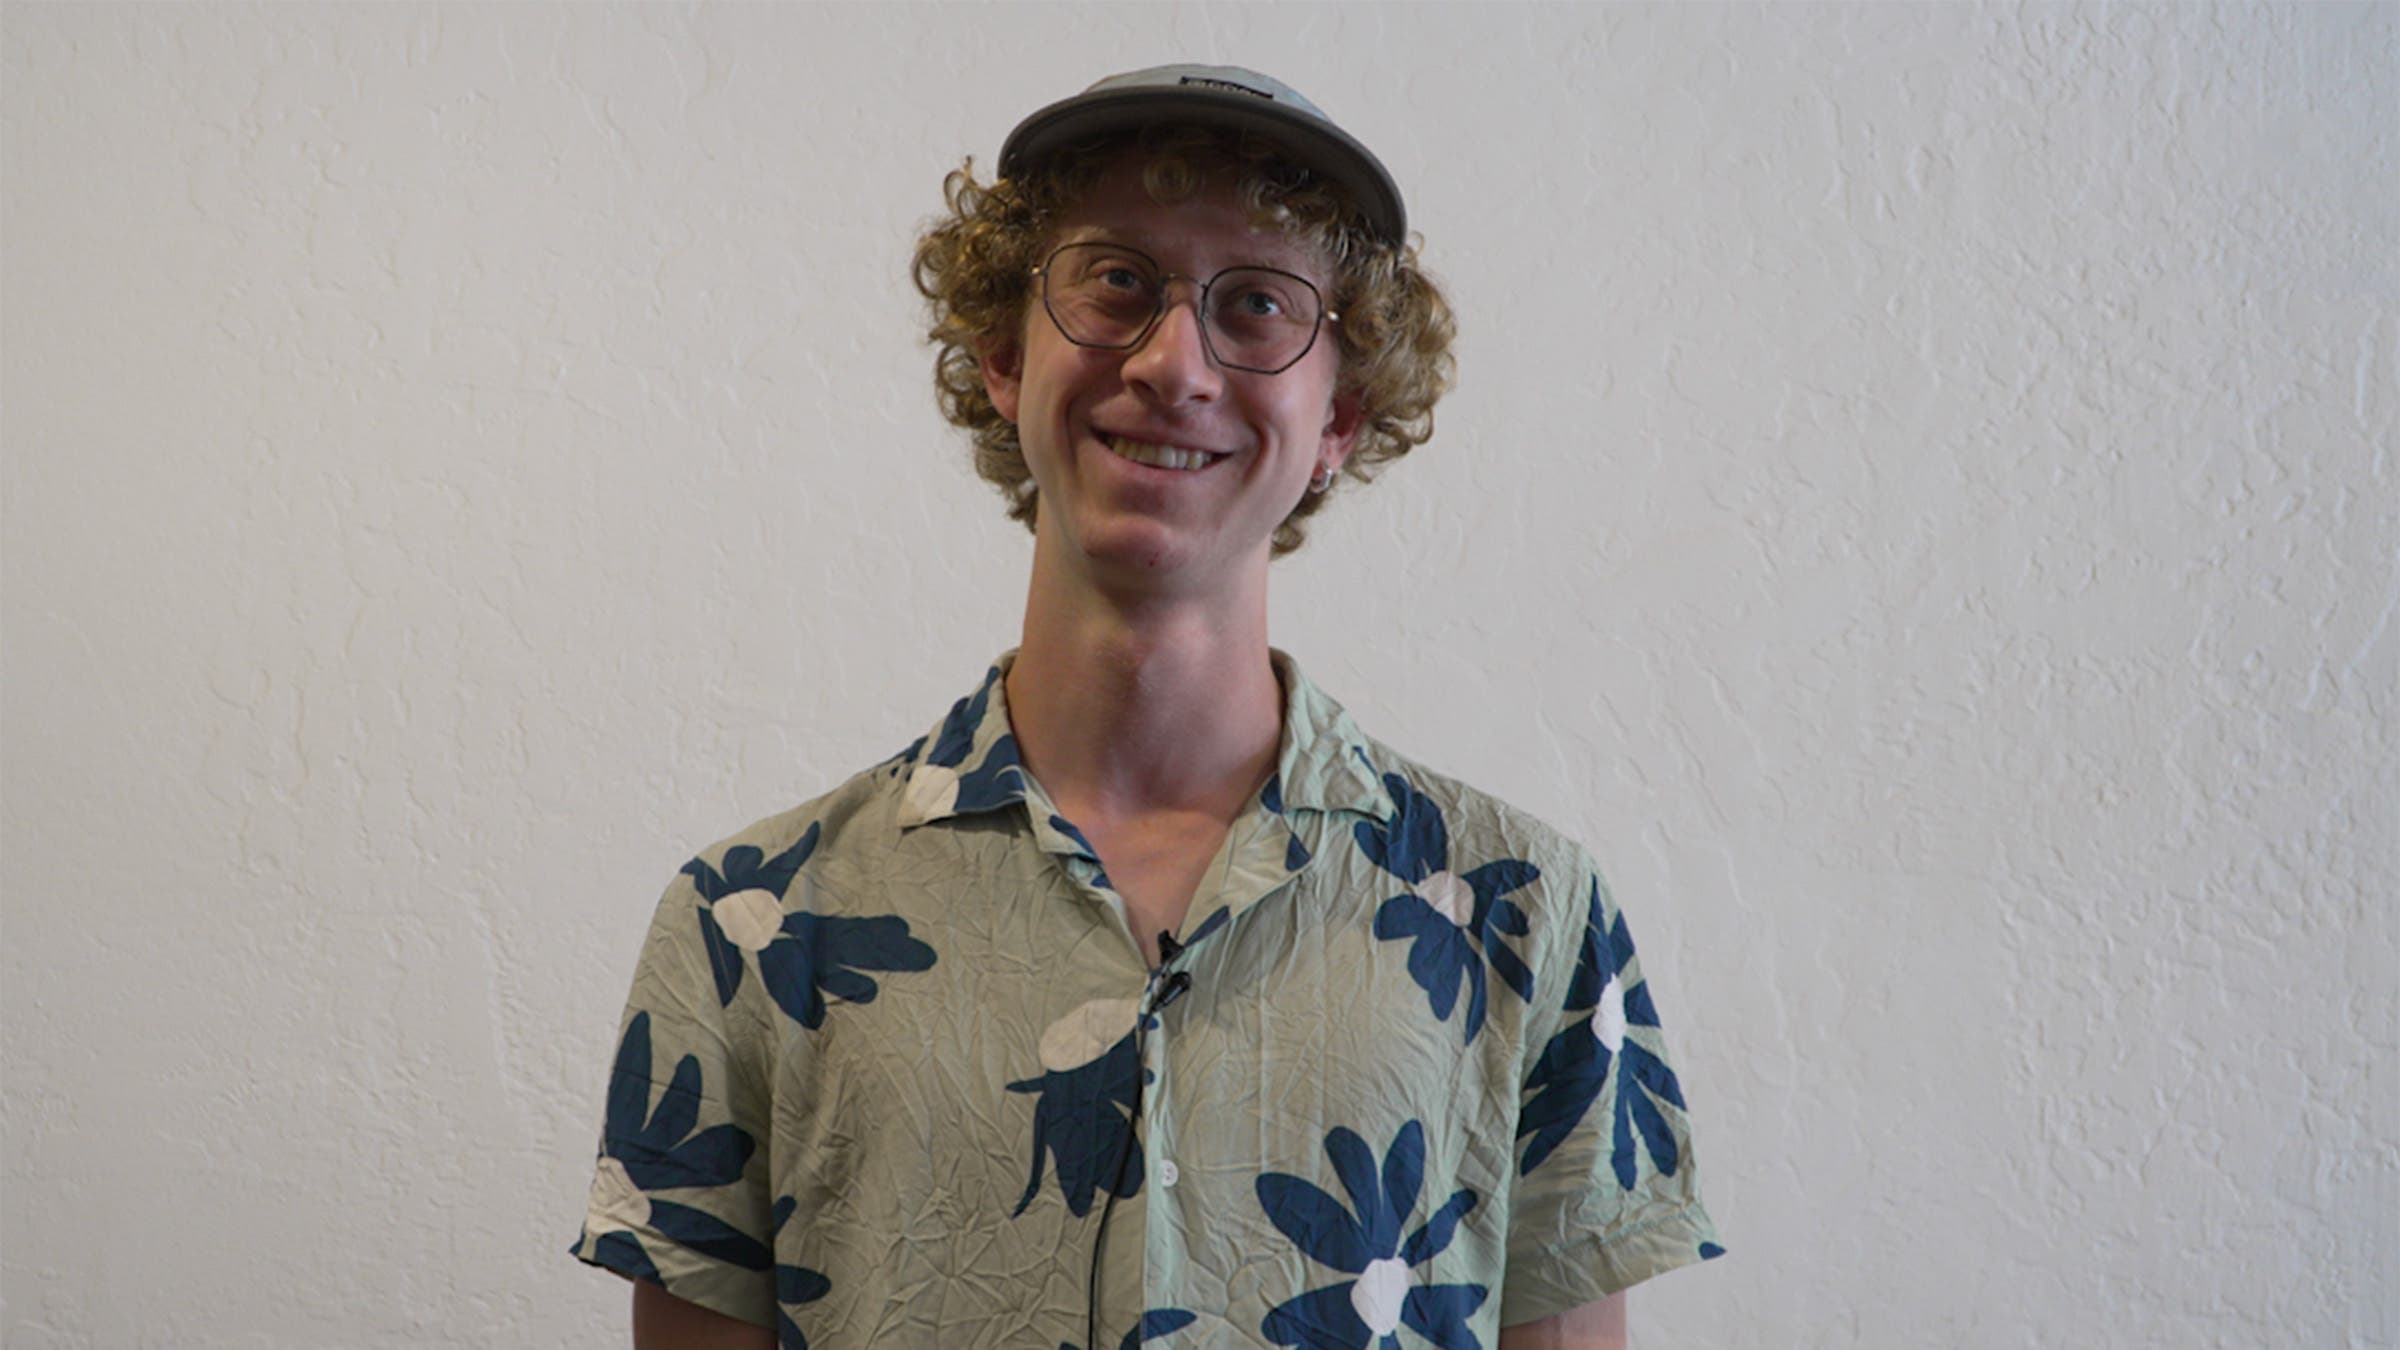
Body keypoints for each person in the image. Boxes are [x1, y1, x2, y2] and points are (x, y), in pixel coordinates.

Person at [573, 65, 1722, 1350]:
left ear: (1339, 417)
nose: (1175, 365)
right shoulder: (753, 926)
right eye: (1116, 282)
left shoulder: (1530, 920)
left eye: (1259, 306)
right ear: (1004, 356)